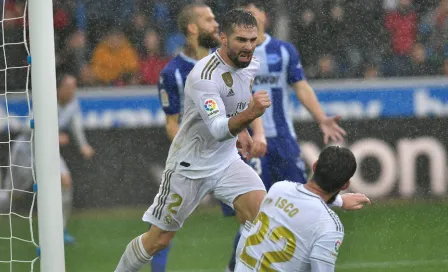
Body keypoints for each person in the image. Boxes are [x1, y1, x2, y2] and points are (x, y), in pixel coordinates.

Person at [114, 9, 270, 272]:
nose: (248, 47)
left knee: (263, 220)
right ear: (223, 38)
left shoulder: (250, 63)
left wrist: (244, 130)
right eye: (241, 40)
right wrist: (251, 114)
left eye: (253, 40)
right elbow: (219, 128)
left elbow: (236, 100)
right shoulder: (203, 76)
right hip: (189, 167)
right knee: (158, 240)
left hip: (226, 161)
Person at [225, 1, 348, 270]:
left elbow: (300, 86)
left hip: (282, 140)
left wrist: (321, 118)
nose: (250, 19)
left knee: (303, 201)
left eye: (253, 14)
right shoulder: (229, 53)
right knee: (251, 215)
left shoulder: (283, 51)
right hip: (246, 142)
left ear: (264, 18)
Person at [234, 146, 371, 271]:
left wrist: (339, 201)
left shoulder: (278, 189)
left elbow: (301, 207)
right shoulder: (330, 226)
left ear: (315, 166)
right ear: (345, 185)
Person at [0, 74, 94, 244]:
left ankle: (61, 229)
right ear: (58, 89)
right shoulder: (45, 100)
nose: (72, 91)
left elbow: (76, 125)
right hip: (27, 150)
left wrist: (83, 145)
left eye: (74, 87)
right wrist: (54, 136)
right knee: (12, 194)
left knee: (66, 182)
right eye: (68, 87)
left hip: (49, 152)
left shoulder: (73, 104)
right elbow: (29, 127)